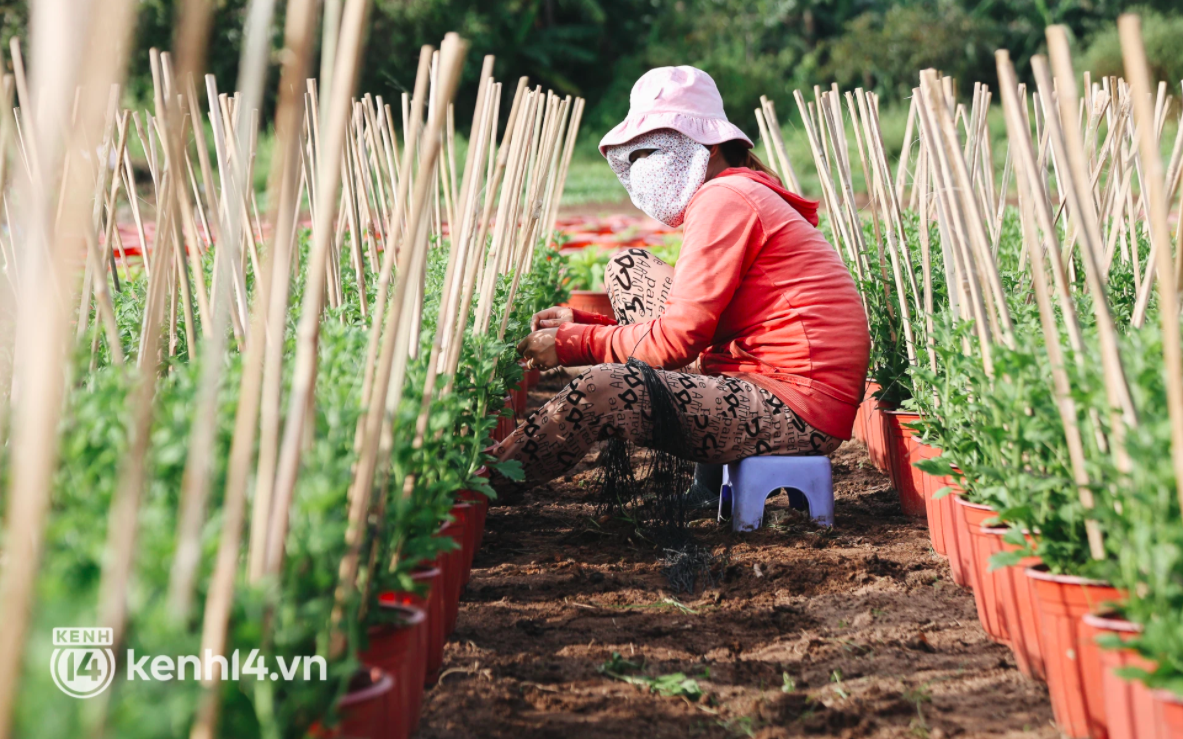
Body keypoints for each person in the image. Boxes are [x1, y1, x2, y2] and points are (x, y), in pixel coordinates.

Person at [492, 65, 870, 501]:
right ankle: (707, 485)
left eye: (653, 151)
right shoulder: (731, 191)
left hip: (797, 405)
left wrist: (575, 342)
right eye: (636, 157)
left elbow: (676, 340)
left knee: (603, 389)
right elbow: (689, 319)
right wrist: (583, 323)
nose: (644, 167)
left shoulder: (724, 199)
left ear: (707, 147)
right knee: (629, 268)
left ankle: (490, 479)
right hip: (771, 377)